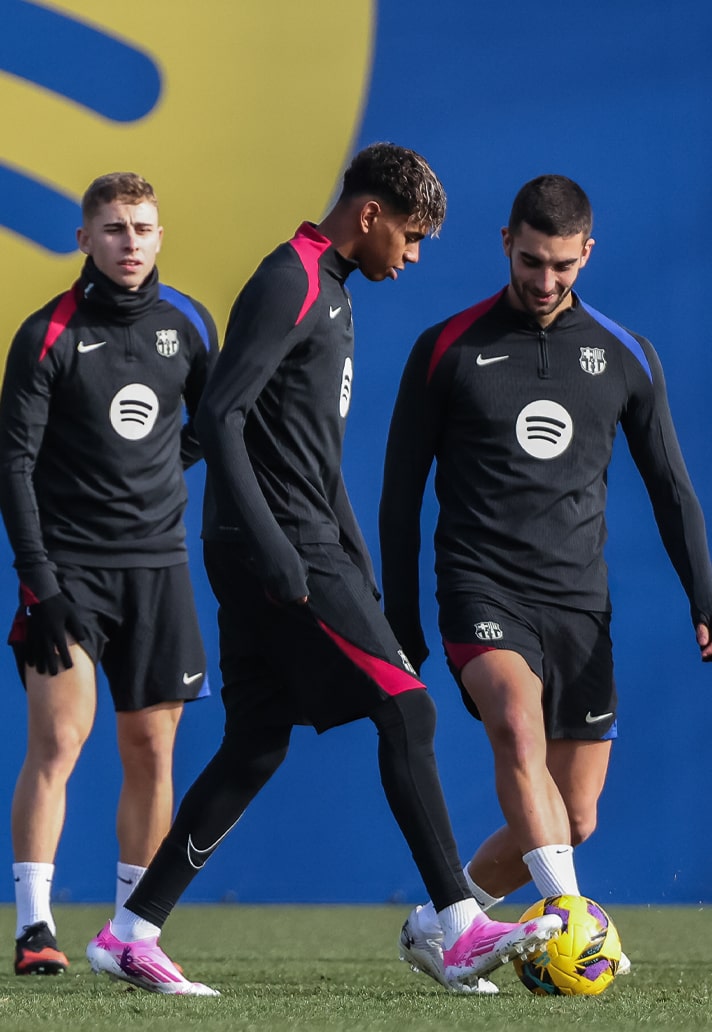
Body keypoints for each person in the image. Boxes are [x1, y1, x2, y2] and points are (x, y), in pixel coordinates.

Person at [84, 143, 561, 997]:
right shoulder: (291, 279)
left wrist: (356, 558)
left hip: (298, 543)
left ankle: (131, 931)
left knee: (255, 744)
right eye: (409, 237)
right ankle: (458, 925)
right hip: (279, 547)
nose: (412, 258)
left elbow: (314, 456)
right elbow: (220, 417)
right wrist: (272, 547)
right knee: (407, 709)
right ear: (370, 215)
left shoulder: (333, 290)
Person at [378, 173, 712, 978]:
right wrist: (402, 619)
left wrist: (704, 597)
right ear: (506, 244)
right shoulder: (446, 348)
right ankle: (572, 919)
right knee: (516, 725)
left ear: (587, 252)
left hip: (579, 605)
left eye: (562, 265)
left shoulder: (626, 354)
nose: (545, 279)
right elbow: (399, 495)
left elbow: (672, 489)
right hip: (481, 587)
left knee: (576, 815)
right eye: (531, 261)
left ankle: (439, 920)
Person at [0, 172, 219, 976]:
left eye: (144, 228)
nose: (131, 242)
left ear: (161, 237)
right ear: (85, 239)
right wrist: (40, 582)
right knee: (59, 738)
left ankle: (133, 933)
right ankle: (34, 926)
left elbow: (214, 422)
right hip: (68, 575)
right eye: (116, 228)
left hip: (159, 569)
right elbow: (13, 465)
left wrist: (162, 469)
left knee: (153, 751)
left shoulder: (189, 323)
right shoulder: (48, 334)